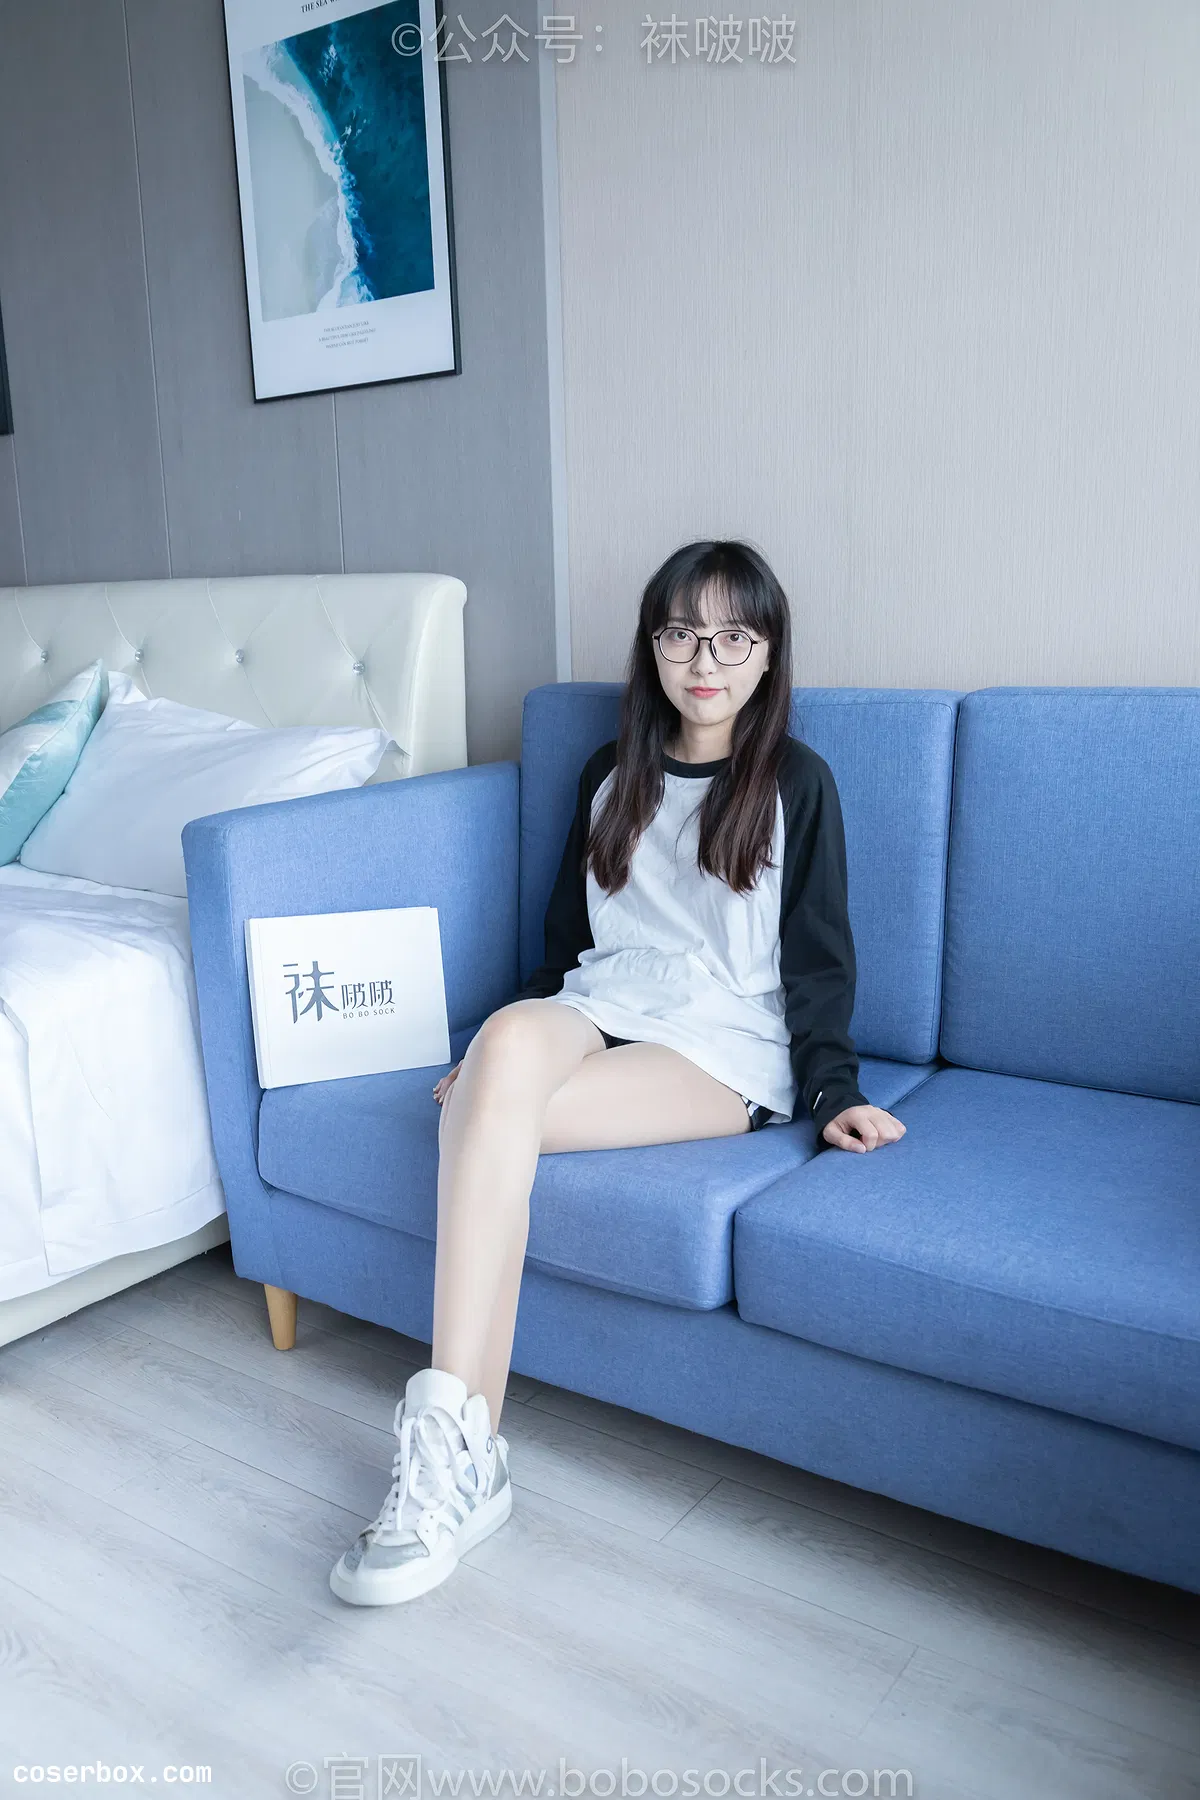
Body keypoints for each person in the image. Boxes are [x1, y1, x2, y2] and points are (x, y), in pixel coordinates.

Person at [329, 539, 906, 1608]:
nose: (705, 660)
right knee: (503, 1047)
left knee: (482, 1123)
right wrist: (495, 1056)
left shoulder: (797, 783)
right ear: (652, 646)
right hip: (601, 1001)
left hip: (722, 1040)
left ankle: (453, 1454)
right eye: (682, 634)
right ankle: (463, 1450)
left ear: (767, 655)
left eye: (732, 637)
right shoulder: (610, 774)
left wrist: (835, 1092)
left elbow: (821, 959)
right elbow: (565, 941)